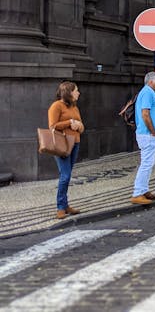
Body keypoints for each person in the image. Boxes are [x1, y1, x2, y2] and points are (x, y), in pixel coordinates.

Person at [48, 81, 85, 219]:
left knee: (67, 175)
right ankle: (60, 207)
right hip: (62, 143)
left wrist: (79, 126)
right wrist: (69, 123)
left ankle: (65, 205)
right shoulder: (56, 106)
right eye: (76, 90)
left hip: (75, 143)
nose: (78, 93)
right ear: (69, 92)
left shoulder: (74, 107)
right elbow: (52, 126)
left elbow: (81, 127)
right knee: (65, 175)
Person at [130, 71, 155, 205]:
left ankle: (144, 190)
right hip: (148, 134)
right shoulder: (147, 92)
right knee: (146, 163)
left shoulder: (151, 93)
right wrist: (153, 131)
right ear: (151, 81)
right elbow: (145, 114)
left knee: (149, 163)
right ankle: (137, 193)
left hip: (149, 134)